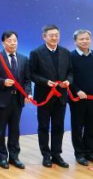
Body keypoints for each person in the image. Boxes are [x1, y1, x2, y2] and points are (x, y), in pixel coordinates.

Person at [0, 30, 32, 170]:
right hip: (2, 100)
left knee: (15, 129)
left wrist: (28, 93)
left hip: (17, 100)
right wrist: (2, 82)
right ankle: (2, 157)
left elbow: (27, 79)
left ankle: (14, 157)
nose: (13, 43)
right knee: (1, 130)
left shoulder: (23, 58)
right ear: (3, 43)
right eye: (9, 41)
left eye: (15, 41)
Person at [29, 25, 73, 169]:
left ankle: (56, 154)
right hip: (44, 96)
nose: (54, 38)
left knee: (59, 126)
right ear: (44, 37)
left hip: (61, 96)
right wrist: (45, 82)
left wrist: (68, 81)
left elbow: (71, 72)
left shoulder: (66, 52)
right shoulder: (36, 53)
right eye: (51, 35)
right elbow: (32, 74)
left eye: (56, 35)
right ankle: (46, 155)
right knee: (43, 126)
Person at [69, 30, 93, 166]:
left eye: (87, 38)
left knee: (92, 126)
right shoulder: (70, 56)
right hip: (77, 98)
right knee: (77, 126)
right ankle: (79, 153)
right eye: (81, 39)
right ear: (75, 41)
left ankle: (90, 152)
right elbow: (68, 76)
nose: (85, 41)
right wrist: (77, 90)